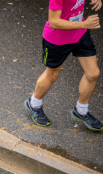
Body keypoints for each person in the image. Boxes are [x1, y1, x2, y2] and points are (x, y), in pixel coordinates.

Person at [24, 0, 103, 131]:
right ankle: (34, 104)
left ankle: (81, 110)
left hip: (80, 34)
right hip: (57, 40)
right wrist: (85, 23)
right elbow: (54, 22)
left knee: (93, 73)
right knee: (53, 73)